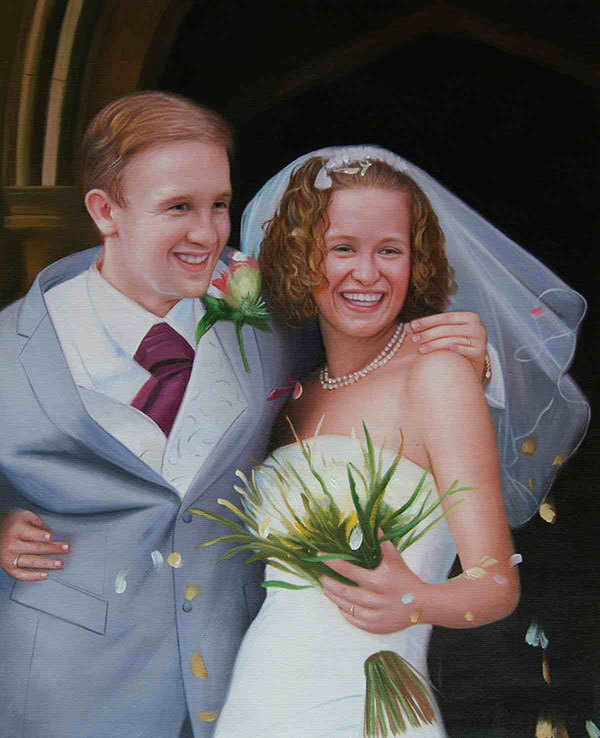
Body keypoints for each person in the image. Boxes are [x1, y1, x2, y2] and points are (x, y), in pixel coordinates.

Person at [0, 98, 487, 738]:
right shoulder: (12, 349)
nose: (208, 234)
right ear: (105, 211)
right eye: (179, 207)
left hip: (245, 686)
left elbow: (365, 348)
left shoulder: (274, 311)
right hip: (69, 693)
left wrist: (464, 360)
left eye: (219, 205)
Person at [210, 146, 590, 738]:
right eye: (343, 248)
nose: (367, 273)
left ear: (418, 260)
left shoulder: (438, 377)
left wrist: (415, 602)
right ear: (301, 256)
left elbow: (497, 586)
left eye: (390, 250)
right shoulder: (293, 395)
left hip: (366, 710)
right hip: (255, 702)